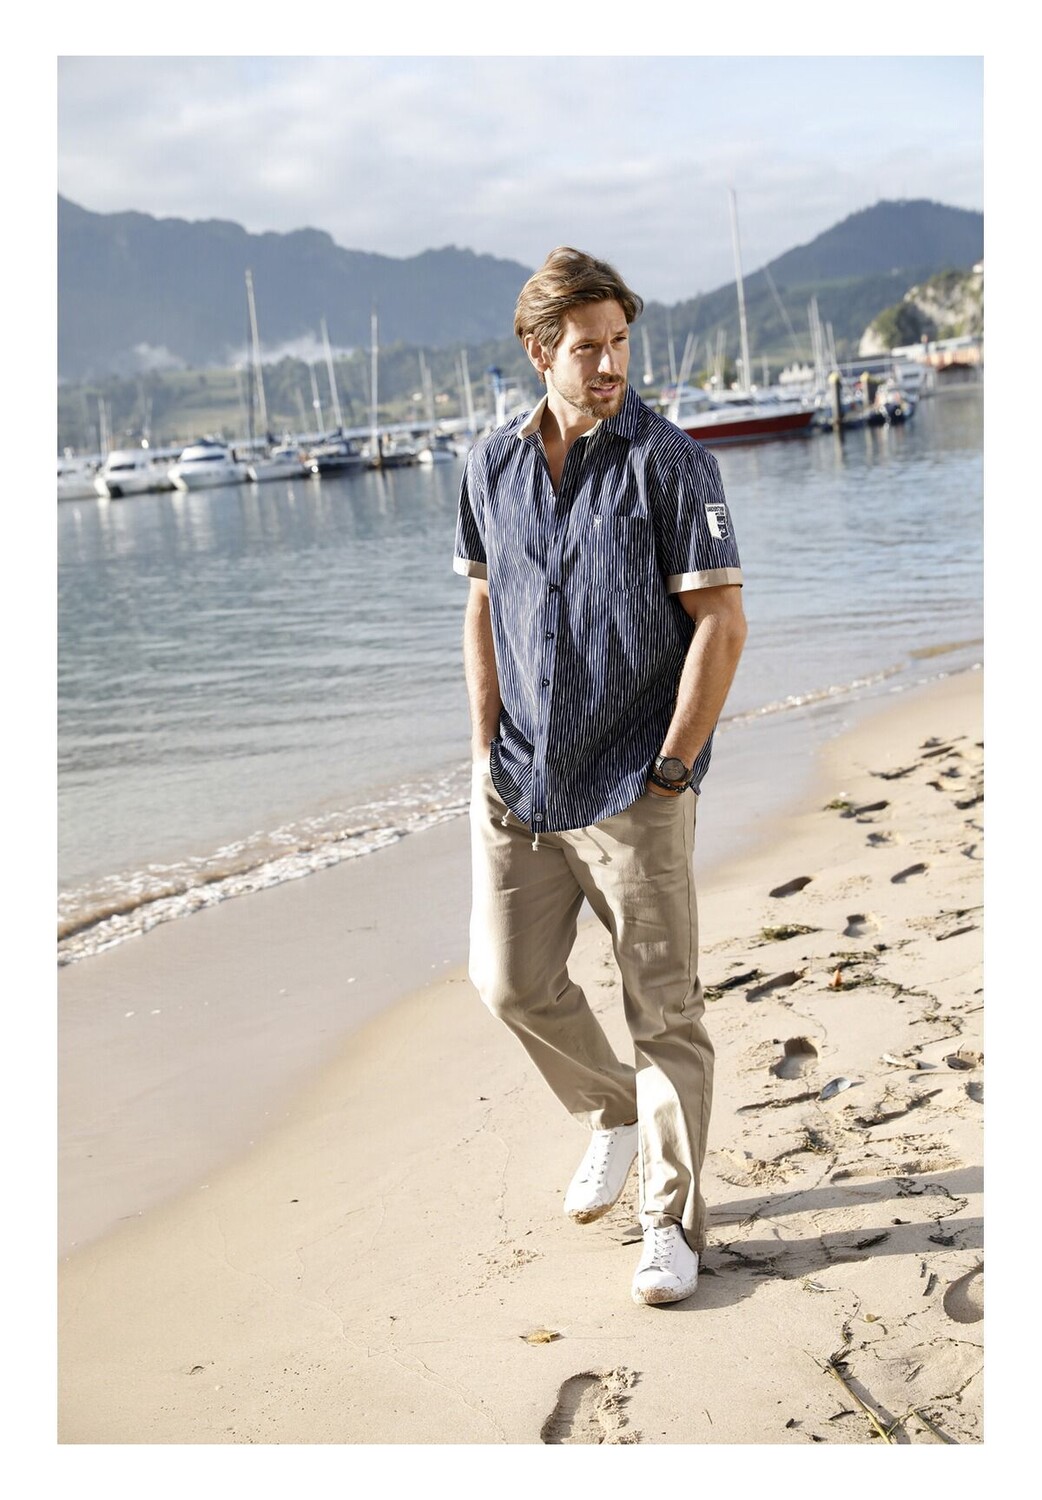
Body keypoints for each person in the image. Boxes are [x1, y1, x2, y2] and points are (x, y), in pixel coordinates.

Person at [452, 246, 746, 1306]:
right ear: (541, 352)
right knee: (509, 982)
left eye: (620, 342)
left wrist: (672, 768)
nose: (611, 363)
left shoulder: (673, 464)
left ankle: (670, 1222)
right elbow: (482, 604)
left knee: (663, 1013)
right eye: (588, 347)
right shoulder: (489, 466)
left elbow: (720, 624)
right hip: (518, 783)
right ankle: (613, 1112)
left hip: (634, 784)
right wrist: (483, 749)